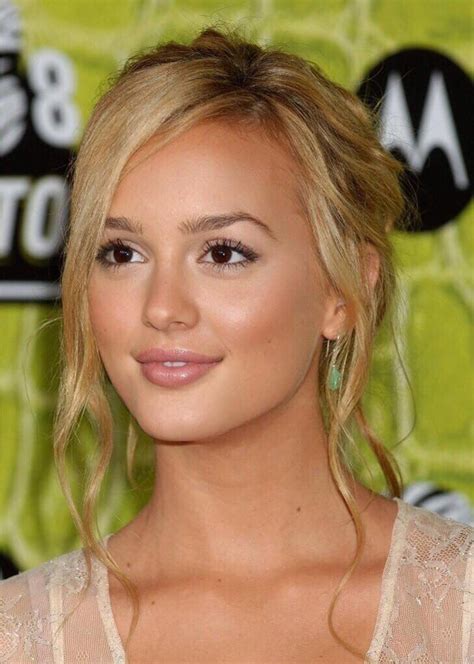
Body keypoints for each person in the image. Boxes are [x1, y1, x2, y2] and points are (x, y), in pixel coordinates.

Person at [0, 25, 472, 664]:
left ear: (343, 290)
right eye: (122, 252)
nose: (163, 307)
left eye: (223, 252)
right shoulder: (22, 635)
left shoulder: (459, 608)